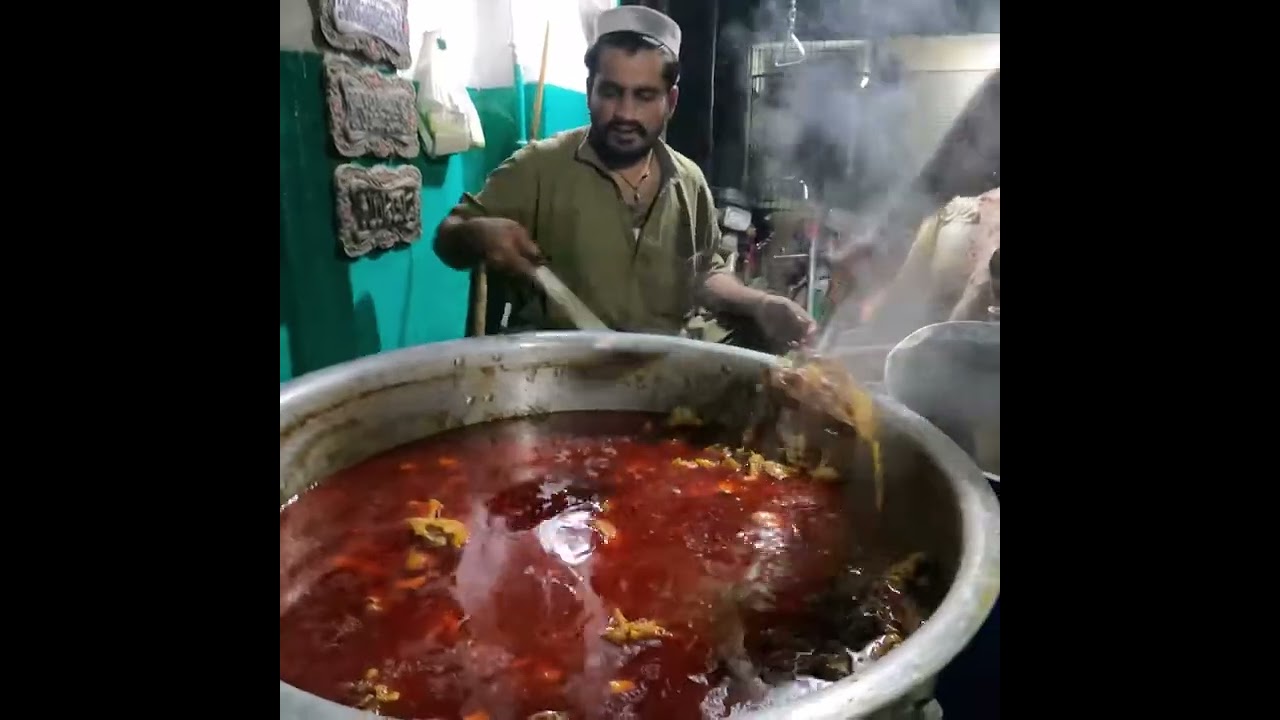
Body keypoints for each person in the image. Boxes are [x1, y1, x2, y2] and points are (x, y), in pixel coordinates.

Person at [433, 6, 815, 352]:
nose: (625, 114)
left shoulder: (689, 182)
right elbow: (448, 236)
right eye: (611, 93)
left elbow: (705, 273)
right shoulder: (538, 167)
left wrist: (761, 303)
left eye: (645, 96)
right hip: (554, 379)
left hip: (660, 380)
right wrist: (478, 233)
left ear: (672, 101)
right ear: (589, 91)